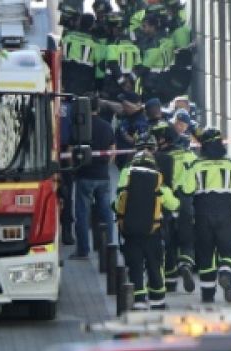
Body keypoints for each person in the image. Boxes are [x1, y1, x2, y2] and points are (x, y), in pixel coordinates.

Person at [116, 150, 179, 310]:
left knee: (135, 267)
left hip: (130, 235)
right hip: (153, 234)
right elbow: (173, 204)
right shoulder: (159, 184)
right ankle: (157, 302)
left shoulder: (128, 182)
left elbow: (117, 205)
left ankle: (138, 301)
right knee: (155, 267)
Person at [190, 128, 231, 303]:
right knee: (227, 250)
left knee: (206, 255)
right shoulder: (230, 165)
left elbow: (185, 191)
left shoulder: (196, 166)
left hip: (202, 214)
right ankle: (226, 276)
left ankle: (207, 296)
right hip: (226, 213)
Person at [72, 99, 117, 259]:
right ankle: (110, 246)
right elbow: (112, 151)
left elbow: (72, 151)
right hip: (103, 177)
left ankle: (83, 250)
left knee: (82, 214)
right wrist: (105, 166)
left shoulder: (79, 126)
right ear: (98, 108)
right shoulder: (107, 126)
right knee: (106, 213)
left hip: (84, 176)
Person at [157, 124, 198, 292]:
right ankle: (186, 264)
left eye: (159, 138)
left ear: (166, 139)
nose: (157, 141)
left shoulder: (162, 157)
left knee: (169, 243)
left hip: (168, 202)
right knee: (186, 239)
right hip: (186, 203)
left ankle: (171, 282)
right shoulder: (190, 155)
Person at [60, 13, 101, 96]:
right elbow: (99, 64)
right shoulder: (95, 42)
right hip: (85, 77)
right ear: (92, 25)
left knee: (66, 99)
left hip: (67, 74)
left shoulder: (68, 36)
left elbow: (59, 54)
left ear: (80, 22)